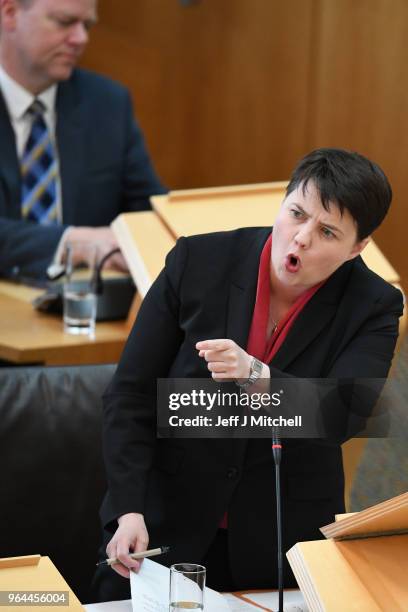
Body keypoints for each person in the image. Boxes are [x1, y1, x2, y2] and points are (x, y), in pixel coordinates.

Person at [92, 148, 403, 600]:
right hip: (165, 519)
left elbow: (344, 416)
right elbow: (130, 396)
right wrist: (128, 510)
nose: (300, 239)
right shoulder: (197, 262)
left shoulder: (374, 305)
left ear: (358, 247)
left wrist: (258, 374)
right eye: (296, 213)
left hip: (280, 534)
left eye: (327, 232)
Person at [0, 0, 165, 280]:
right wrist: (74, 243)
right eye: (65, 22)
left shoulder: (107, 103)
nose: (81, 38)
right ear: (10, 14)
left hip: (82, 309)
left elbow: (148, 211)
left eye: (87, 25)